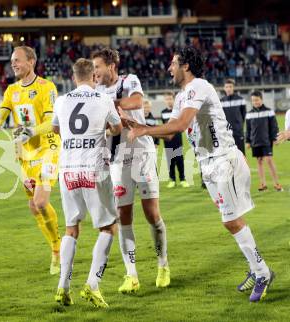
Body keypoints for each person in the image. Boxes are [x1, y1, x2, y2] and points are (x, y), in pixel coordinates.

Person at [120, 46, 274, 303]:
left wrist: (145, 131)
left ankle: (262, 272)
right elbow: (171, 132)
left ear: (186, 66)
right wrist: (140, 125)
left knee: (231, 220)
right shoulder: (181, 97)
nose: (169, 68)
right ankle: (256, 267)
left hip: (223, 160)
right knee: (230, 220)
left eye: (173, 63)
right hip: (208, 165)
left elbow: (180, 125)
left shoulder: (200, 86)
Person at [93, 48, 170, 294]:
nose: (95, 72)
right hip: (117, 160)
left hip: (142, 154)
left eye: (98, 67)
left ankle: (162, 265)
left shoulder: (129, 80)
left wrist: (110, 104)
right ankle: (131, 274)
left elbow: (136, 101)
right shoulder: (96, 92)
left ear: (111, 66)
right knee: (122, 214)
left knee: (152, 213)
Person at [52, 58, 123, 308]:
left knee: (71, 228)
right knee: (107, 228)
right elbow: (117, 127)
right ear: (94, 76)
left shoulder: (61, 100)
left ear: (73, 78)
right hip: (94, 169)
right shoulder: (103, 99)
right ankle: (92, 285)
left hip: (67, 170)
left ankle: (63, 286)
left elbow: (56, 129)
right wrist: (102, 131)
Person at [0, 46, 62, 275]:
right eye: (12, 61)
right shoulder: (11, 91)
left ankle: (59, 250)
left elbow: (52, 122)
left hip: (48, 149)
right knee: (33, 206)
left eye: (17, 60)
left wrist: (30, 131)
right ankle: (55, 247)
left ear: (31, 61)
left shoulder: (46, 87)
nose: (13, 64)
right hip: (25, 154)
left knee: (40, 201)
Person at [246, 91, 283, 191]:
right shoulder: (249, 114)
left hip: (266, 141)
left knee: (269, 160)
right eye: (253, 100)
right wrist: (248, 141)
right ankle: (263, 184)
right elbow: (248, 129)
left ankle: (277, 183)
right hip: (255, 142)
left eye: (257, 100)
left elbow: (274, 126)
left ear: (261, 99)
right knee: (259, 161)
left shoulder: (269, 111)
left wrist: (275, 138)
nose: (255, 102)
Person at [161, 92, 189, 188]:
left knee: (179, 160)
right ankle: (172, 179)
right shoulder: (163, 112)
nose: (169, 101)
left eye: (170, 99)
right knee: (170, 161)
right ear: (165, 101)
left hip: (177, 138)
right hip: (167, 141)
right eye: (167, 99)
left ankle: (182, 179)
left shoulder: (178, 111)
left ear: (174, 100)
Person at [221, 79, 247, 154]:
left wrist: (239, 126)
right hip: (226, 134)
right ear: (224, 88)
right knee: (228, 155)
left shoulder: (241, 100)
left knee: (241, 155)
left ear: (233, 88)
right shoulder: (221, 101)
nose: (228, 89)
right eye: (227, 87)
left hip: (238, 133)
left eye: (230, 86)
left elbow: (243, 115)